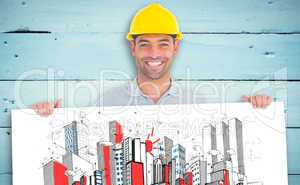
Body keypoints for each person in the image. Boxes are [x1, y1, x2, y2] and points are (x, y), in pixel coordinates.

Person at [32, 3, 272, 117]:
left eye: (163, 44)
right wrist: (47, 121)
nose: (154, 54)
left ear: (176, 47)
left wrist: (258, 111)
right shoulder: (107, 103)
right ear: (133, 47)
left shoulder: (199, 102)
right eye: (145, 44)